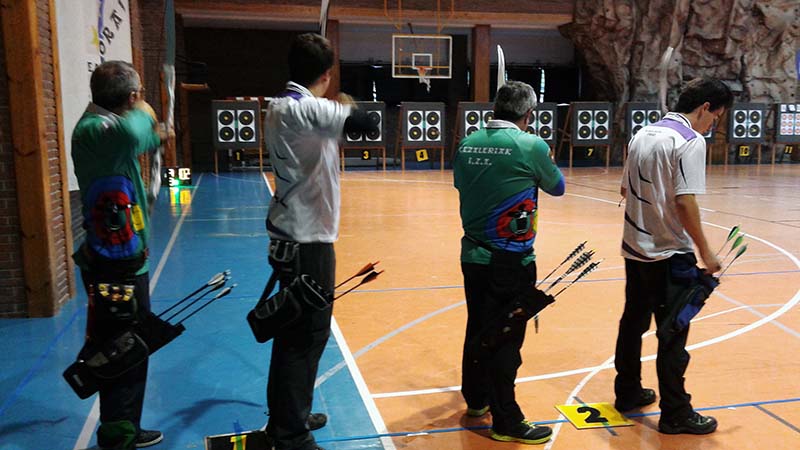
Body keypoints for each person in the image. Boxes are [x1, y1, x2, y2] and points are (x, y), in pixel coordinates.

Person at [262, 33, 377, 450]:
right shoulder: (308, 108)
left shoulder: (280, 105)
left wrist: (336, 108)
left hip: (290, 234)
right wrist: (343, 106)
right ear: (326, 74)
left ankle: (290, 413)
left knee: (294, 332)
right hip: (308, 241)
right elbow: (368, 124)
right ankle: (290, 434)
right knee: (306, 336)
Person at [614, 77, 733, 435]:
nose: (713, 126)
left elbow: (625, 189)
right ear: (704, 108)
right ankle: (675, 413)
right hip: (669, 254)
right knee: (673, 333)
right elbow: (685, 201)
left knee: (633, 323)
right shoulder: (689, 140)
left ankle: (628, 392)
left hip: (635, 249)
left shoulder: (642, 134)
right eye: (715, 117)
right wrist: (705, 251)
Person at [453, 80, 565, 445]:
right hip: (510, 260)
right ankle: (506, 420)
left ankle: (477, 399)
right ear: (529, 114)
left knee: (479, 326)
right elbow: (557, 186)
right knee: (506, 337)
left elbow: (462, 185)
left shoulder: (468, 143)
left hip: (473, 255)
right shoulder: (531, 145)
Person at [71, 61, 167, 449]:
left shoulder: (106, 129)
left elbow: (140, 137)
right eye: (137, 94)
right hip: (114, 264)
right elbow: (135, 132)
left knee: (131, 344)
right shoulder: (98, 130)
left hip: (123, 258)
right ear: (129, 97)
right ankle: (118, 434)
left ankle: (124, 425)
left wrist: (153, 128)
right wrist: (146, 110)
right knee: (122, 347)